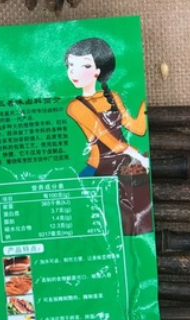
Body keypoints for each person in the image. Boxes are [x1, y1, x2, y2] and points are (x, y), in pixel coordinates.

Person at [65, 37, 152, 235]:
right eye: (70, 66)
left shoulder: (113, 96)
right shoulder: (75, 106)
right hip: (99, 168)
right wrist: (140, 158)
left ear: (98, 71)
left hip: (125, 165)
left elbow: (137, 129)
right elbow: (112, 144)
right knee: (91, 222)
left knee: (134, 224)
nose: (74, 72)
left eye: (84, 66)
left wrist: (143, 105)